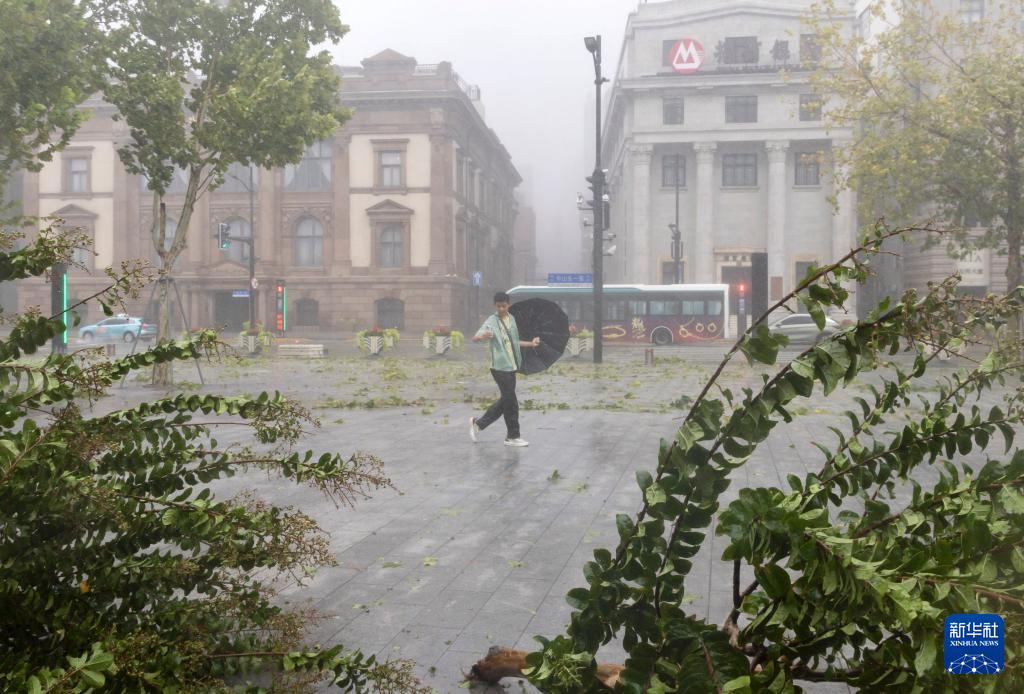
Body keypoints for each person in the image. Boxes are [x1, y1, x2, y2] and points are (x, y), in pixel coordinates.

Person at [470, 291, 539, 447]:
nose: (501, 309)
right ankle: (513, 436)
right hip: (499, 367)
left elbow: (514, 342)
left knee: (507, 400)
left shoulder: (512, 319)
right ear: (495, 306)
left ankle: (479, 424)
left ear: (509, 305)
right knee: (511, 402)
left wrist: (531, 343)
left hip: (511, 366)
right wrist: (482, 336)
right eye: (498, 306)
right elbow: (475, 338)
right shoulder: (491, 321)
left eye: (504, 306)